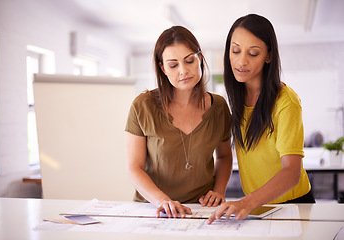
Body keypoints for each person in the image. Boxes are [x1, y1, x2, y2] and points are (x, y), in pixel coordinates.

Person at [208, 14, 315, 224]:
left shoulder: (286, 102)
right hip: (259, 206)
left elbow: (291, 172)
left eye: (253, 53)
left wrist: (246, 202)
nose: (241, 61)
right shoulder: (238, 96)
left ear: (268, 56)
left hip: (293, 205)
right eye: (235, 50)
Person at [125, 26, 233, 218]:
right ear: (162, 68)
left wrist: (219, 191)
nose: (183, 71)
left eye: (189, 60)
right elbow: (134, 167)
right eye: (173, 65)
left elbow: (224, 157)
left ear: (199, 58)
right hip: (154, 209)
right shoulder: (143, 106)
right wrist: (162, 201)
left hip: (201, 209)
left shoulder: (219, 107)